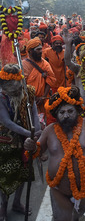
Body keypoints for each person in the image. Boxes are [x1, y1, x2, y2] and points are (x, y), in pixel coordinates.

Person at [24, 86, 85, 220]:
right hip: (59, 190)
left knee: (78, 213)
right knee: (62, 218)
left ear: (77, 110)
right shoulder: (49, 130)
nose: (66, 115)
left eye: (70, 111)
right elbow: (36, 151)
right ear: (56, 115)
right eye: (62, 112)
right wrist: (31, 146)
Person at [0, 64, 41, 220]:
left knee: (24, 173)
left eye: (16, 87)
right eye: (9, 87)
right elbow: (6, 121)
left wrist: (36, 132)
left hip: (26, 141)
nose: (14, 90)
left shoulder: (27, 92)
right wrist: (28, 133)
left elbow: (34, 114)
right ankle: (3, 205)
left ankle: (17, 203)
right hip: (5, 141)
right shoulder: (1, 97)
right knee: (4, 177)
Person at [22, 37, 57, 114]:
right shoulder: (23, 65)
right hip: (29, 101)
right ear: (30, 51)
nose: (41, 51)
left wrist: (43, 97)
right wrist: (31, 98)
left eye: (41, 49)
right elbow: (22, 84)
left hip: (43, 101)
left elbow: (51, 80)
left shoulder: (45, 64)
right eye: (38, 50)